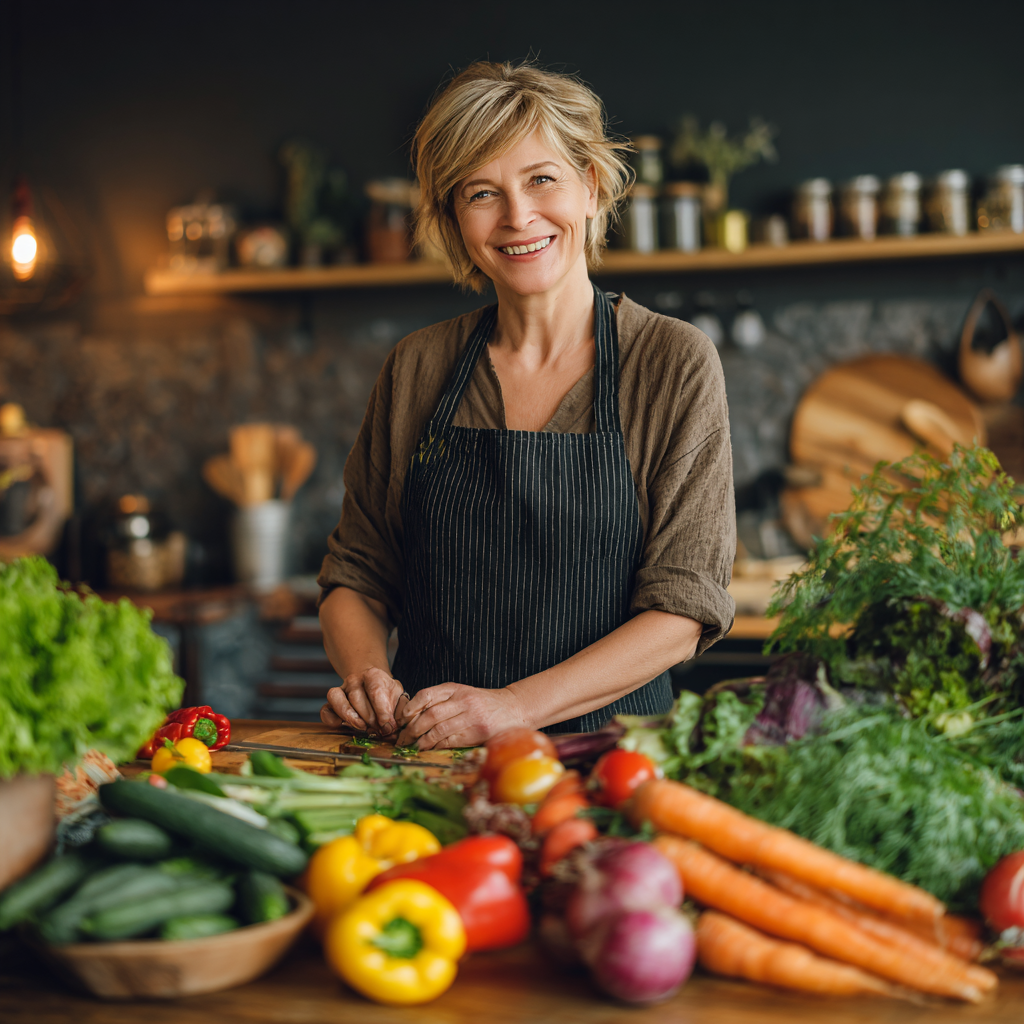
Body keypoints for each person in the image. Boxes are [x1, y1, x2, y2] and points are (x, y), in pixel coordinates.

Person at [317, 61, 735, 750]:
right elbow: (357, 576)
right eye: (482, 192)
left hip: (610, 765)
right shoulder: (417, 367)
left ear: (592, 188)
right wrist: (370, 679)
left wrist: (513, 707)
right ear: (454, 218)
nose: (518, 217)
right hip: (430, 762)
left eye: (542, 179)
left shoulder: (671, 361)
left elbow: (683, 608)